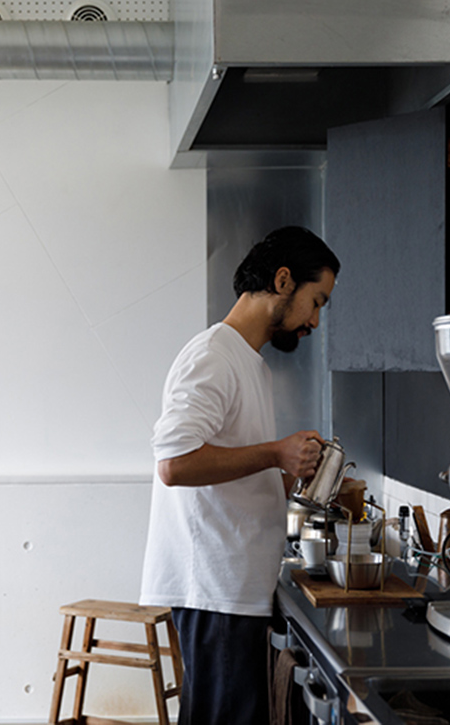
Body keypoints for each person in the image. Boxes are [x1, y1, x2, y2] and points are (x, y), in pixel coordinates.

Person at [139, 226, 340, 724]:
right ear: (283, 279)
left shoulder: (251, 364)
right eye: (316, 301)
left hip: (234, 589)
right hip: (213, 591)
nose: (315, 320)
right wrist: (276, 453)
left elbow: (231, 465)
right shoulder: (212, 356)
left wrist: (291, 472)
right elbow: (175, 463)